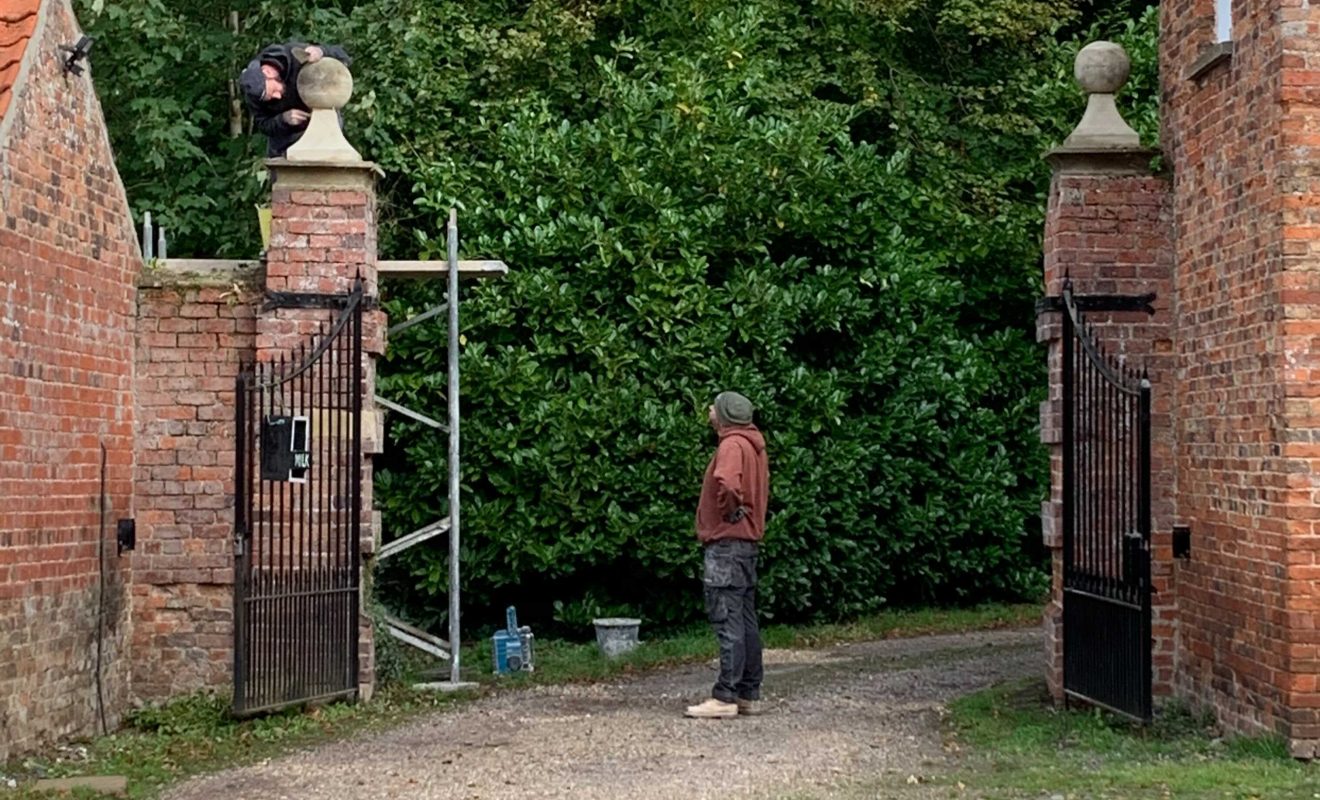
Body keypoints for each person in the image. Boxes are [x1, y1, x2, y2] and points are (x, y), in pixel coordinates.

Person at [685, 391, 770, 719]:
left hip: (727, 545)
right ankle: (749, 692)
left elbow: (727, 482)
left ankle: (725, 696)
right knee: (746, 618)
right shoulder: (753, 444)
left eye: (713, 406)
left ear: (724, 415)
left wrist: (728, 510)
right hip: (745, 546)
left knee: (727, 618)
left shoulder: (731, 444)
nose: (709, 409)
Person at [238, 42, 351, 158]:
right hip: (285, 144)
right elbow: (263, 124)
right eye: (269, 98)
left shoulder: (295, 54)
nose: (277, 97)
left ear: (268, 72)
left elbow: (343, 55)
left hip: (325, 132)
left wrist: (322, 51)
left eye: (272, 91)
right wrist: (283, 119)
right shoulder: (253, 92)